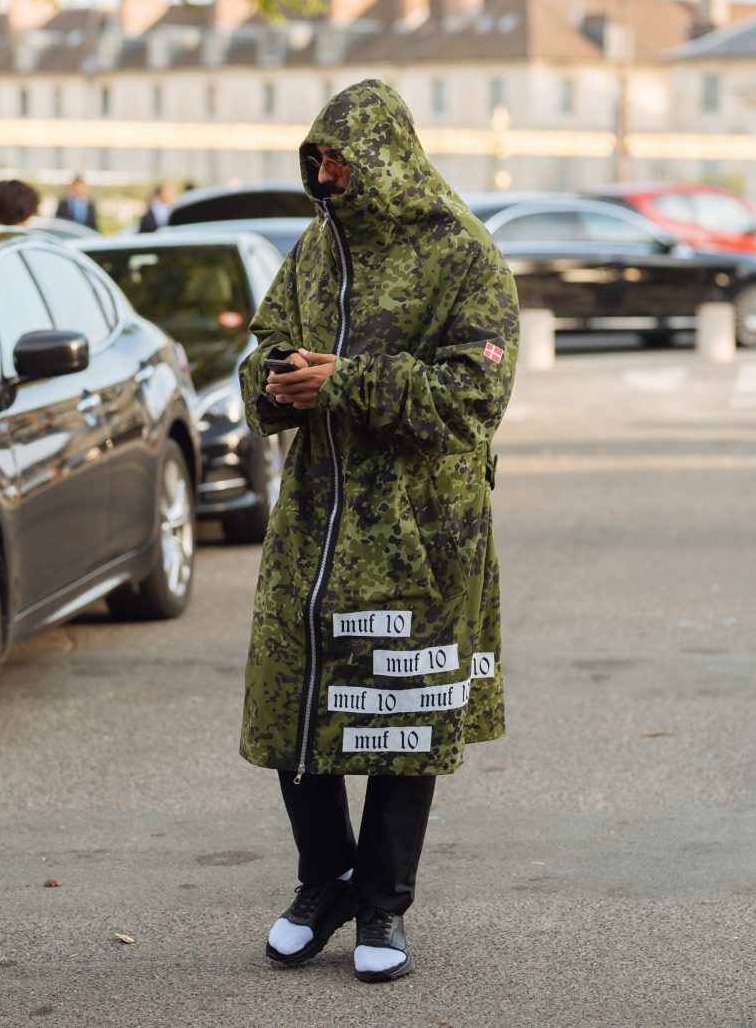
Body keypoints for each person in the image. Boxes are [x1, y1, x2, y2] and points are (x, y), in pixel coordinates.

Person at [238, 79, 519, 983]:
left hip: (422, 536)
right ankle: (326, 881)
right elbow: (265, 344)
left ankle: (384, 910)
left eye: (337, 158)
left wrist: (348, 382)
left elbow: (476, 396)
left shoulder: (464, 252)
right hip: (315, 527)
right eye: (314, 159)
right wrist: (273, 381)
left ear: (385, 157)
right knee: (298, 700)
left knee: (403, 717)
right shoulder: (314, 249)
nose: (323, 175)